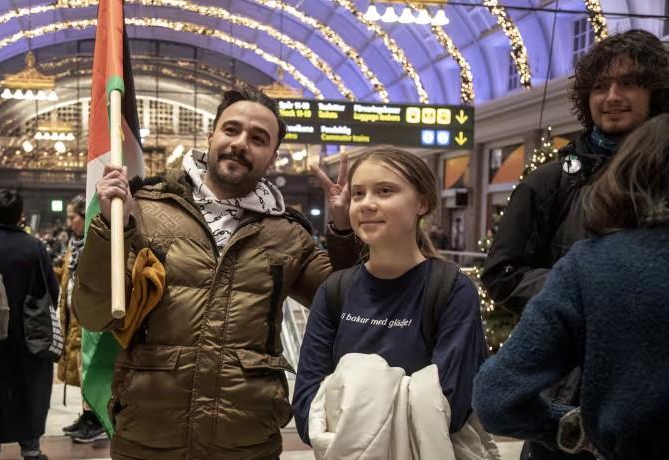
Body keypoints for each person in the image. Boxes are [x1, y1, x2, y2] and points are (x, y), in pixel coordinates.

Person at [73, 88, 356, 460]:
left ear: (272, 155)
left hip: (244, 440)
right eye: (231, 130)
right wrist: (112, 228)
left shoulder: (288, 234)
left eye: (258, 139)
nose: (241, 144)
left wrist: (345, 230)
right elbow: (93, 312)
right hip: (149, 436)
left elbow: (348, 303)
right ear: (211, 136)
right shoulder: (143, 210)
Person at [480, 29, 669, 460]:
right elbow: (502, 271)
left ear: (655, 92)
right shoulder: (552, 179)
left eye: (629, 84)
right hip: (568, 386)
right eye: (600, 86)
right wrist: (589, 296)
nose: (612, 96)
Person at [292, 146, 489, 452]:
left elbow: (451, 407)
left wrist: (347, 396)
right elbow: (306, 411)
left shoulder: (451, 290)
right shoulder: (335, 290)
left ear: (422, 203)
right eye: (358, 194)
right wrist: (404, 396)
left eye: (385, 191)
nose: (367, 204)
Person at [0, 190, 58, 460]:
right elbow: (51, 290)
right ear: (21, 216)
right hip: (29, 333)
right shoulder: (35, 246)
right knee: (29, 388)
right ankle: (30, 447)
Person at [57, 194, 107, 443]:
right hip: (73, 316)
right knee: (79, 369)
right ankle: (87, 416)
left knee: (90, 368)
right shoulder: (74, 243)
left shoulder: (94, 243)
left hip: (90, 319)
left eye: (72, 217)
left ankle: (96, 420)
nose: (69, 223)